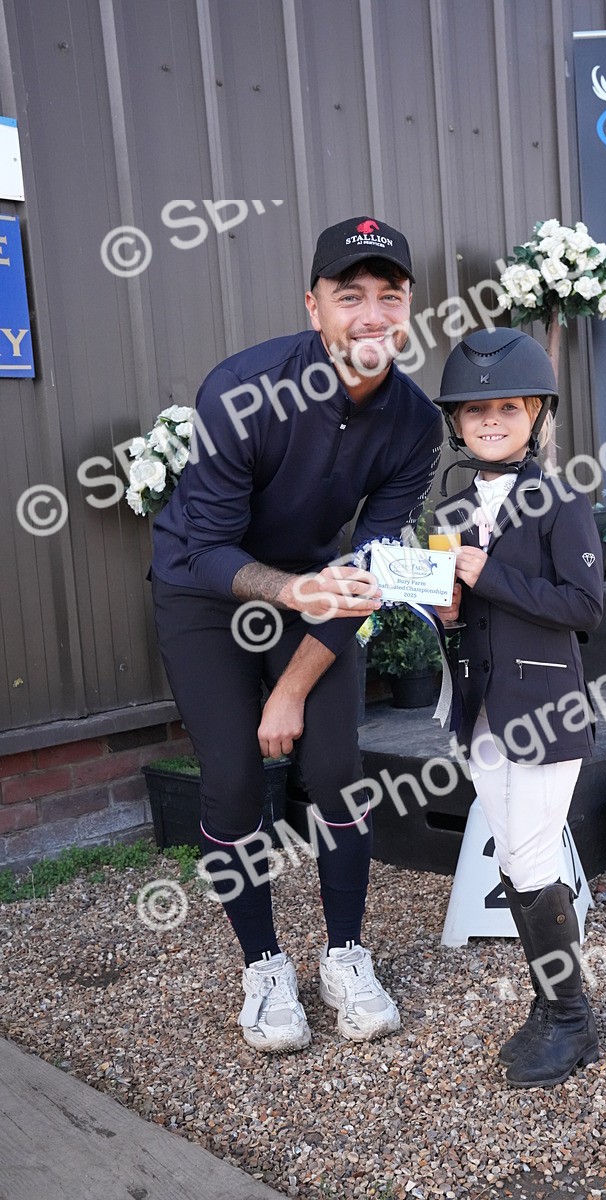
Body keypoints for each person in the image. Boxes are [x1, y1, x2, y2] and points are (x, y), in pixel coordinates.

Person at [149, 216, 442, 1052]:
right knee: (236, 778)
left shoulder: (416, 423)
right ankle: (265, 966)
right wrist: (294, 589)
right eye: (351, 296)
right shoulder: (243, 390)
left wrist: (291, 685)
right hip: (206, 588)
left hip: (323, 592)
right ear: (314, 307)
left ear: (409, 306)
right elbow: (204, 547)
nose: (372, 316)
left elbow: (369, 570)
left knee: (336, 770)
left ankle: (346, 955)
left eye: (390, 296)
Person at [433, 328, 604, 1088]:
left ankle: (572, 1020)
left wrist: (488, 573)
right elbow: (468, 608)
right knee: (512, 854)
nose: (491, 420)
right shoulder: (455, 504)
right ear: (458, 424)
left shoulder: (562, 499)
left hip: (545, 708)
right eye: (475, 411)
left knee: (531, 856)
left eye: (507, 406)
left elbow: (583, 606)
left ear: (535, 413)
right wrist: (446, 607)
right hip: (480, 707)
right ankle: (550, 1004)